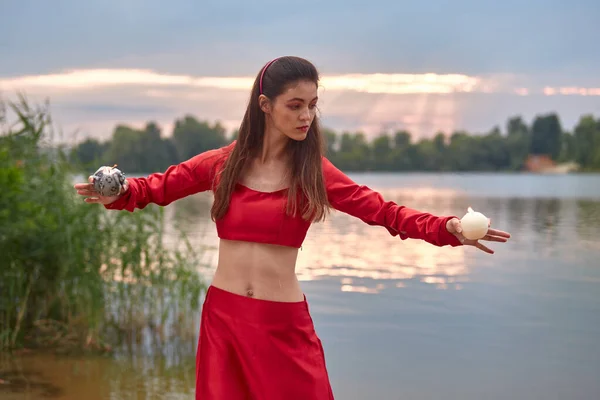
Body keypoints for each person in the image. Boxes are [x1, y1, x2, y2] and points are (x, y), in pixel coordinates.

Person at [74, 56, 511, 399]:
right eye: (295, 105)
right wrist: (120, 191)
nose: (307, 116)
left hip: (281, 325)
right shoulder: (223, 164)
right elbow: (160, 186)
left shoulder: (314, 173)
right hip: (224, 319)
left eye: (313, 105)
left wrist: (446, 226)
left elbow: (382, 211)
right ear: (265, 106)